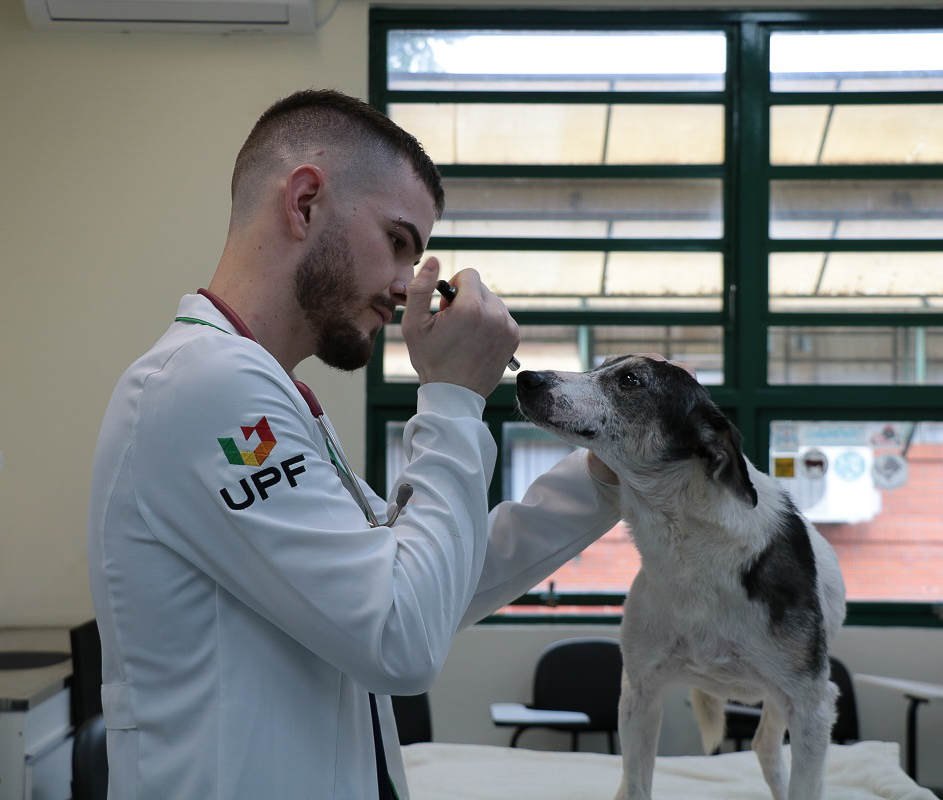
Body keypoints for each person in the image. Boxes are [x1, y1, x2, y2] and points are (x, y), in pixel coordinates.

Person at [87, 88, 622, 800]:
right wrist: (454, 399)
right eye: (398, 242)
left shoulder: (266, 397)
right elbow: (400, 639)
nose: (406, 289)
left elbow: (429, 582)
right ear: (305, 202)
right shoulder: (203, 387)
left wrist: (603, 474)